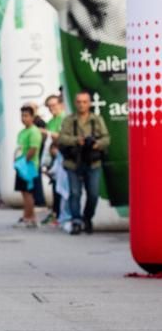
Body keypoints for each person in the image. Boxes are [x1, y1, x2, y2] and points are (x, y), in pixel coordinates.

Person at [57, 91, 109, 235]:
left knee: (93, 194)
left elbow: (106, 139)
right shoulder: (69, 120)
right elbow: (61, 139)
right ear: (75, 103)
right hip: (73, 162)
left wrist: (96, 144)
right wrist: (76, 141)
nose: (82, 105)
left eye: (85, 102)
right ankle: (76, 221)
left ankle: (87, 218)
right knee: (75, 193)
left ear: (89, 103)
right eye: (79, 102)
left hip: (92, 163)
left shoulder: (96, 120)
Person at [13, 105, 42, 228]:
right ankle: (30, 216)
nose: (23, 118)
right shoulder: (22, 132)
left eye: (26, 116)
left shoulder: (34, 131)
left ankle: (28, 218)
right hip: (21, 166)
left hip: (29, 166)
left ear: (32, 117)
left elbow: (33, 149)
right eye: (22, 116)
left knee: (28, 193)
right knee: (24, 193)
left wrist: (24, 162)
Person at [40, 94, 66, 225]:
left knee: (61, 188)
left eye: (54, 105)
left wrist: (46, 133)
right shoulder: (51, 121)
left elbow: (61, 136)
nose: (51, 108)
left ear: (61, 104)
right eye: (49, 106)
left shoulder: (64, 118)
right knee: (55, 188)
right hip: (51, 158)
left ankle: (60, 214)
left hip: (62, 157)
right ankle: (55, 213)